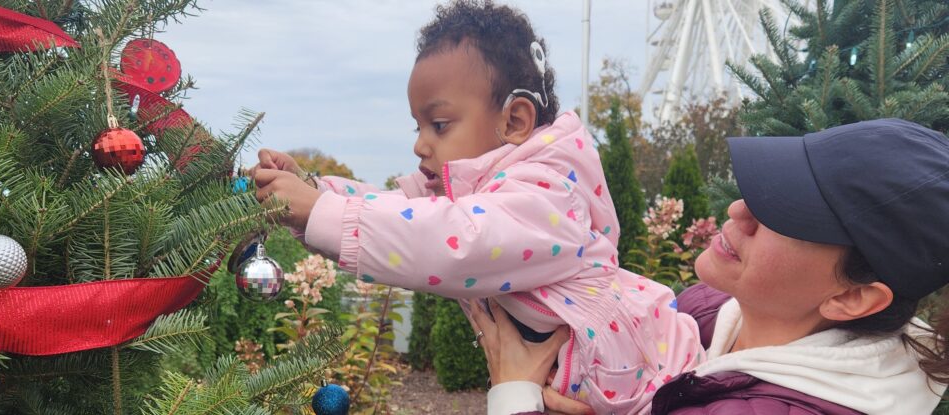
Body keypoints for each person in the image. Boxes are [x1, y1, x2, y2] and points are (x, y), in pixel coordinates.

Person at [250, 1, 703, 413]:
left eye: (439, 124)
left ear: (515, 121)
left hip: (652, 391)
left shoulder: (548, 196)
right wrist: (311, 192)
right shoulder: (475, 196)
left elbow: (449, 241)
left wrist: (317, 210)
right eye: (418, 125)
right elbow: (399, 211)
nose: (420, 144)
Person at [476, 118, 949, 414]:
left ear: (851, 297)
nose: (740, 212)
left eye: (784, 216)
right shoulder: (718, 311)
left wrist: (515, 395)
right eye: (768, 189)